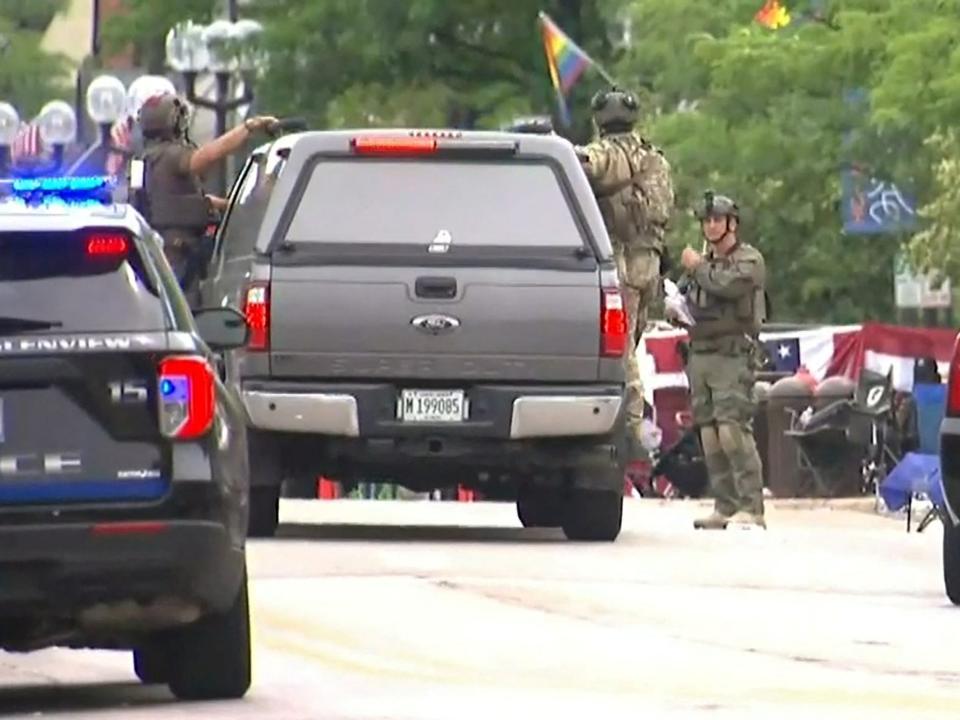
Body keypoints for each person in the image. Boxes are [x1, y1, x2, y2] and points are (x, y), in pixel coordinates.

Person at [576, 86, 675, 463]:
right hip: (649, 263)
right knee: (629, 344)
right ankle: (633, 424)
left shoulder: (610, 153)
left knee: (620, 351)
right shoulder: (653, 157)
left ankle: (632, 428)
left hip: (623, 261)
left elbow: (585, 165)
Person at [134, 92, 278, 304]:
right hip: (178, 251)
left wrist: (230, 206)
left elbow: (177, 201)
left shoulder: (149, 158)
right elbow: (206, 157)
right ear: (176, 121)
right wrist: (249, 128)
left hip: (167, 248)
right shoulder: (171, 155)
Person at [681, 191, 768, 530]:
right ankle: (725, 504)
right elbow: (693, 297)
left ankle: (752, 507)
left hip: (732, 355)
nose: (711, 225)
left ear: (731, 223)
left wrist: (698, 266)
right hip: (701, 353)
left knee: (733, 430)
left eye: (717, 219)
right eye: (707, 220)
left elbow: (725, 286)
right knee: (710, 433)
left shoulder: (748, 260)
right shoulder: (703, 264)